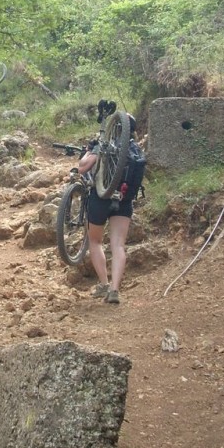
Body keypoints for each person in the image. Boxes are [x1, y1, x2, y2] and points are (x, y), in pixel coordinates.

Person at [77, 114, 137, 305]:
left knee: (95, 241)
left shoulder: (104, 145)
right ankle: (115, 290)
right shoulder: (134, 149)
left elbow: (83, 168)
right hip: (124, 199)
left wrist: (87, 153)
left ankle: (103, 283)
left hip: (100, 198)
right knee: (118, 245)